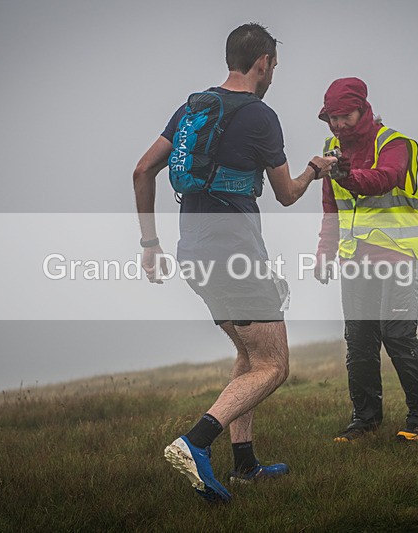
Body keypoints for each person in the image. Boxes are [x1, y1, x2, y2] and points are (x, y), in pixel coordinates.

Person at [132, 23, 336, 503]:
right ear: (262, 61)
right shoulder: (260, 115)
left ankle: (245, 465)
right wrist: (314, 169)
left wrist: (149, 244)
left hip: (192, 250)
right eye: (274, 68)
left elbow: (143, 170)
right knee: (274, 365)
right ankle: (195, 443)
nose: (272, 77)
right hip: (237, 253)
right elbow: (286, 194)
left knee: (248, 355)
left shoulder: (193, 108)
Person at [314, 77, 418, 442]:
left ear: (362, 109)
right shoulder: (330, 149)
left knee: (398, 335)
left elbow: (387, 178)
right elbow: (331, 206)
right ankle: (365, 421)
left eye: (344, 116)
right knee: (359, 341)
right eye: (331, 118)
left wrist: (348, 175)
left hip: (396, 254)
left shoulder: (396, 144)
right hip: (354, 259)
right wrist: (325, 252)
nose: (338, 125)